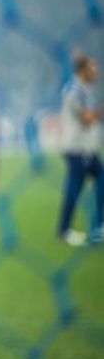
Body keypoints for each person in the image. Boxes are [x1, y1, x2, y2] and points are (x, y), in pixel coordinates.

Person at [57, 53, 104, 246]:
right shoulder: (76, 91)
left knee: (100, 178)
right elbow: (87, 118)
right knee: (74, 188)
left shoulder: (82, 89)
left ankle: (97, 225)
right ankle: (65, 230)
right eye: (93, 67)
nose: (97, 71)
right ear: (83, 70)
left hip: (86, 148)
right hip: (77, 148)